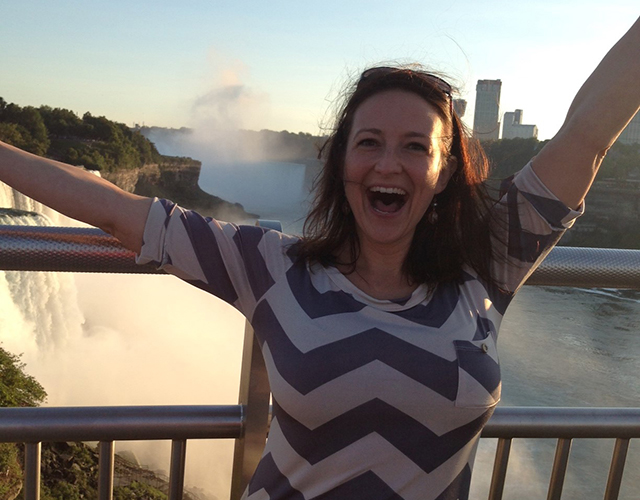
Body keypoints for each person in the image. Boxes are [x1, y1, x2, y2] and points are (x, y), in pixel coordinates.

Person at [0, 17, 638, 500]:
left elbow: (587, 133)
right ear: (341, 162)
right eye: (369, 142)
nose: (388, 164)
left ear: (444, 173)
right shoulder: (271, 265)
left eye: (415, 147)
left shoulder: (488, 265)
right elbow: (115, 208)